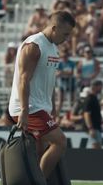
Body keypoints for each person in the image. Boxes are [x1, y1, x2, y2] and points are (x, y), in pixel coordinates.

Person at [8, 11, 76, 178]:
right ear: (54, 28)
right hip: (28, 107)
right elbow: (23, 80)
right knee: (59, 142)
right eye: (65, 33)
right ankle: (39, 182)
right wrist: (24, 110)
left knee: (40, 150)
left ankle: (32, 179)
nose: (67, 38)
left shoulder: (53, 47)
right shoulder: (34, 45)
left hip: (41, 107)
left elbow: (49, 81)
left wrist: (51, 109)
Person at [82, 80, 103, 149]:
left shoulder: (94, 98)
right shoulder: (90, 98)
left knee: (98, 148)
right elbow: (86, 114)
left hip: (96, 128)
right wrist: (90, 128)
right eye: (100, 86)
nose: (101, 88)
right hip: (93, 128)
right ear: (95, 87)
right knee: (95, 149)